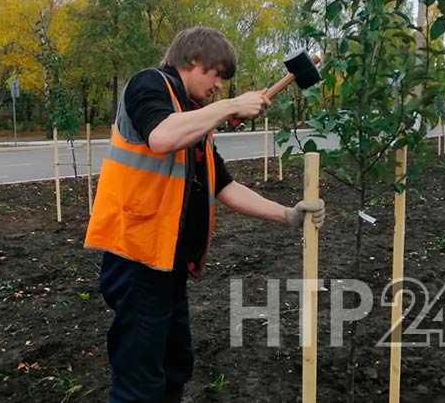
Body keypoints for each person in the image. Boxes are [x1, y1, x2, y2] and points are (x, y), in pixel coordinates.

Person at [84, 27, 326, 403]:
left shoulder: (193, 120)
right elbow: (161, 137)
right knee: (139, 379)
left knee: (175, 364)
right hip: (135, 258)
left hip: (168, 262)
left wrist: (287, 215)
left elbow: (223, 186)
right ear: (193, 61)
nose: (218, 86)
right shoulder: (148, 85)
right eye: (216, 75)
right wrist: (229, 107)